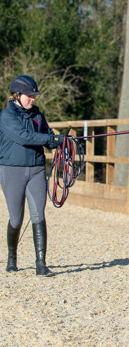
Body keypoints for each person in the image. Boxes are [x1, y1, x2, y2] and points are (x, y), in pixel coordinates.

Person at [0, 75, 64, 276]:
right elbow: (24, 136)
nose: (33, 99)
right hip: (12, 170)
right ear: (17, 95)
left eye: (34, 96)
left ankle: (41, 264)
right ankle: (12, 257)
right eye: (29, 95)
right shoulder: (6, 117)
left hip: (36, 169)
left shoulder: (38, 116)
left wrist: (59, 141)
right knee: (16, 219)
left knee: (38, 215)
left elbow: (46, 137)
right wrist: (48, 137)